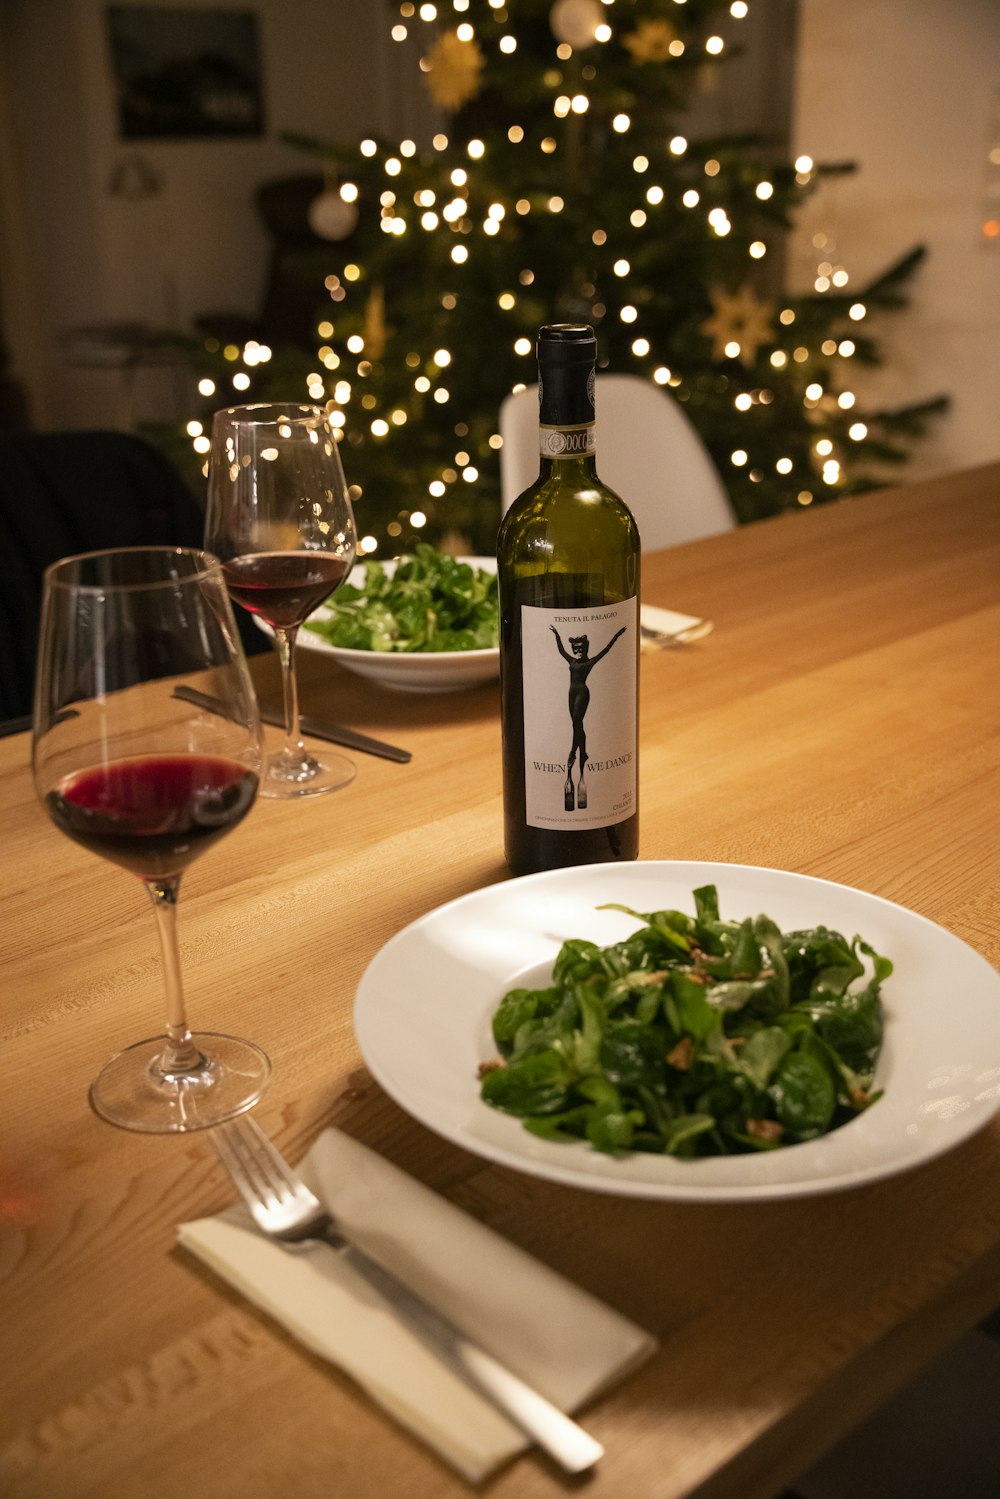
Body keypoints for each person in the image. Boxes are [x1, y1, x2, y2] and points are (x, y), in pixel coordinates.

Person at [549, 624, 626, 809]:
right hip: (571, 693)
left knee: (577, 722)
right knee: (577, 725)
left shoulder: (587, 663)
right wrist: (556, 635)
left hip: (582, 693)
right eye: (575, 648)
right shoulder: (573, 663)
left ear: (585, 649)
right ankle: (582, 752)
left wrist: (616, 635)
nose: (577, 651)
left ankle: (573, 752)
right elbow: (560, 650)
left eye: (580, 648)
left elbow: (606, 650)